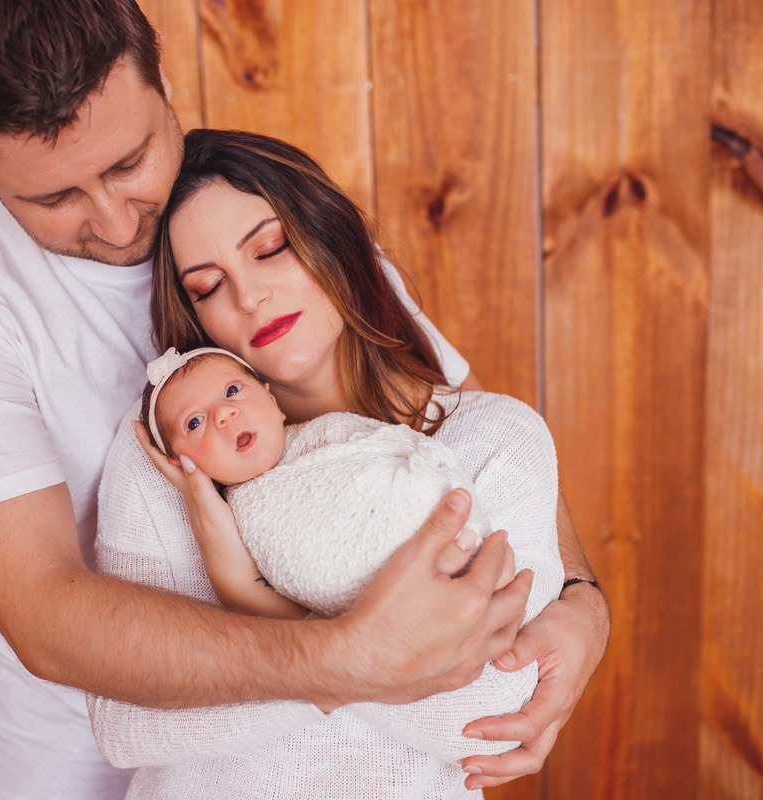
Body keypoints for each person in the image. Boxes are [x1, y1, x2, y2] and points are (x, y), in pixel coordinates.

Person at [0, 2, 609, 798]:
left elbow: (458, 423)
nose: (117, 219)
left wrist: (579, 600)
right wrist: (341, 657)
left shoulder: (263, 213)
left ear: (159, 69)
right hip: (73, 762)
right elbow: (43, 610)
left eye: (130, 161)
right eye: (53, 200)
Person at [87, 130, 565, 798]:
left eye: (270, 248)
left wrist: (262, 609)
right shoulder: (174, 454)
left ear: (334, 240)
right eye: (207, 286)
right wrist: (390, 658)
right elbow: (125, 722)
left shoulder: (492, 439)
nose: (249, 296)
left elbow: (489, 720)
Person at [139, 346, 500, 617]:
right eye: (194, 423)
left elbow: (396, 443)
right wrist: (196, 490)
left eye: (233, 391)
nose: (224, 415)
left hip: (439, 527)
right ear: (181, 460)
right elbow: (265, 588)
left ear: (271, 398)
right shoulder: (236, 514)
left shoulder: (326, 429)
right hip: (376, 615)